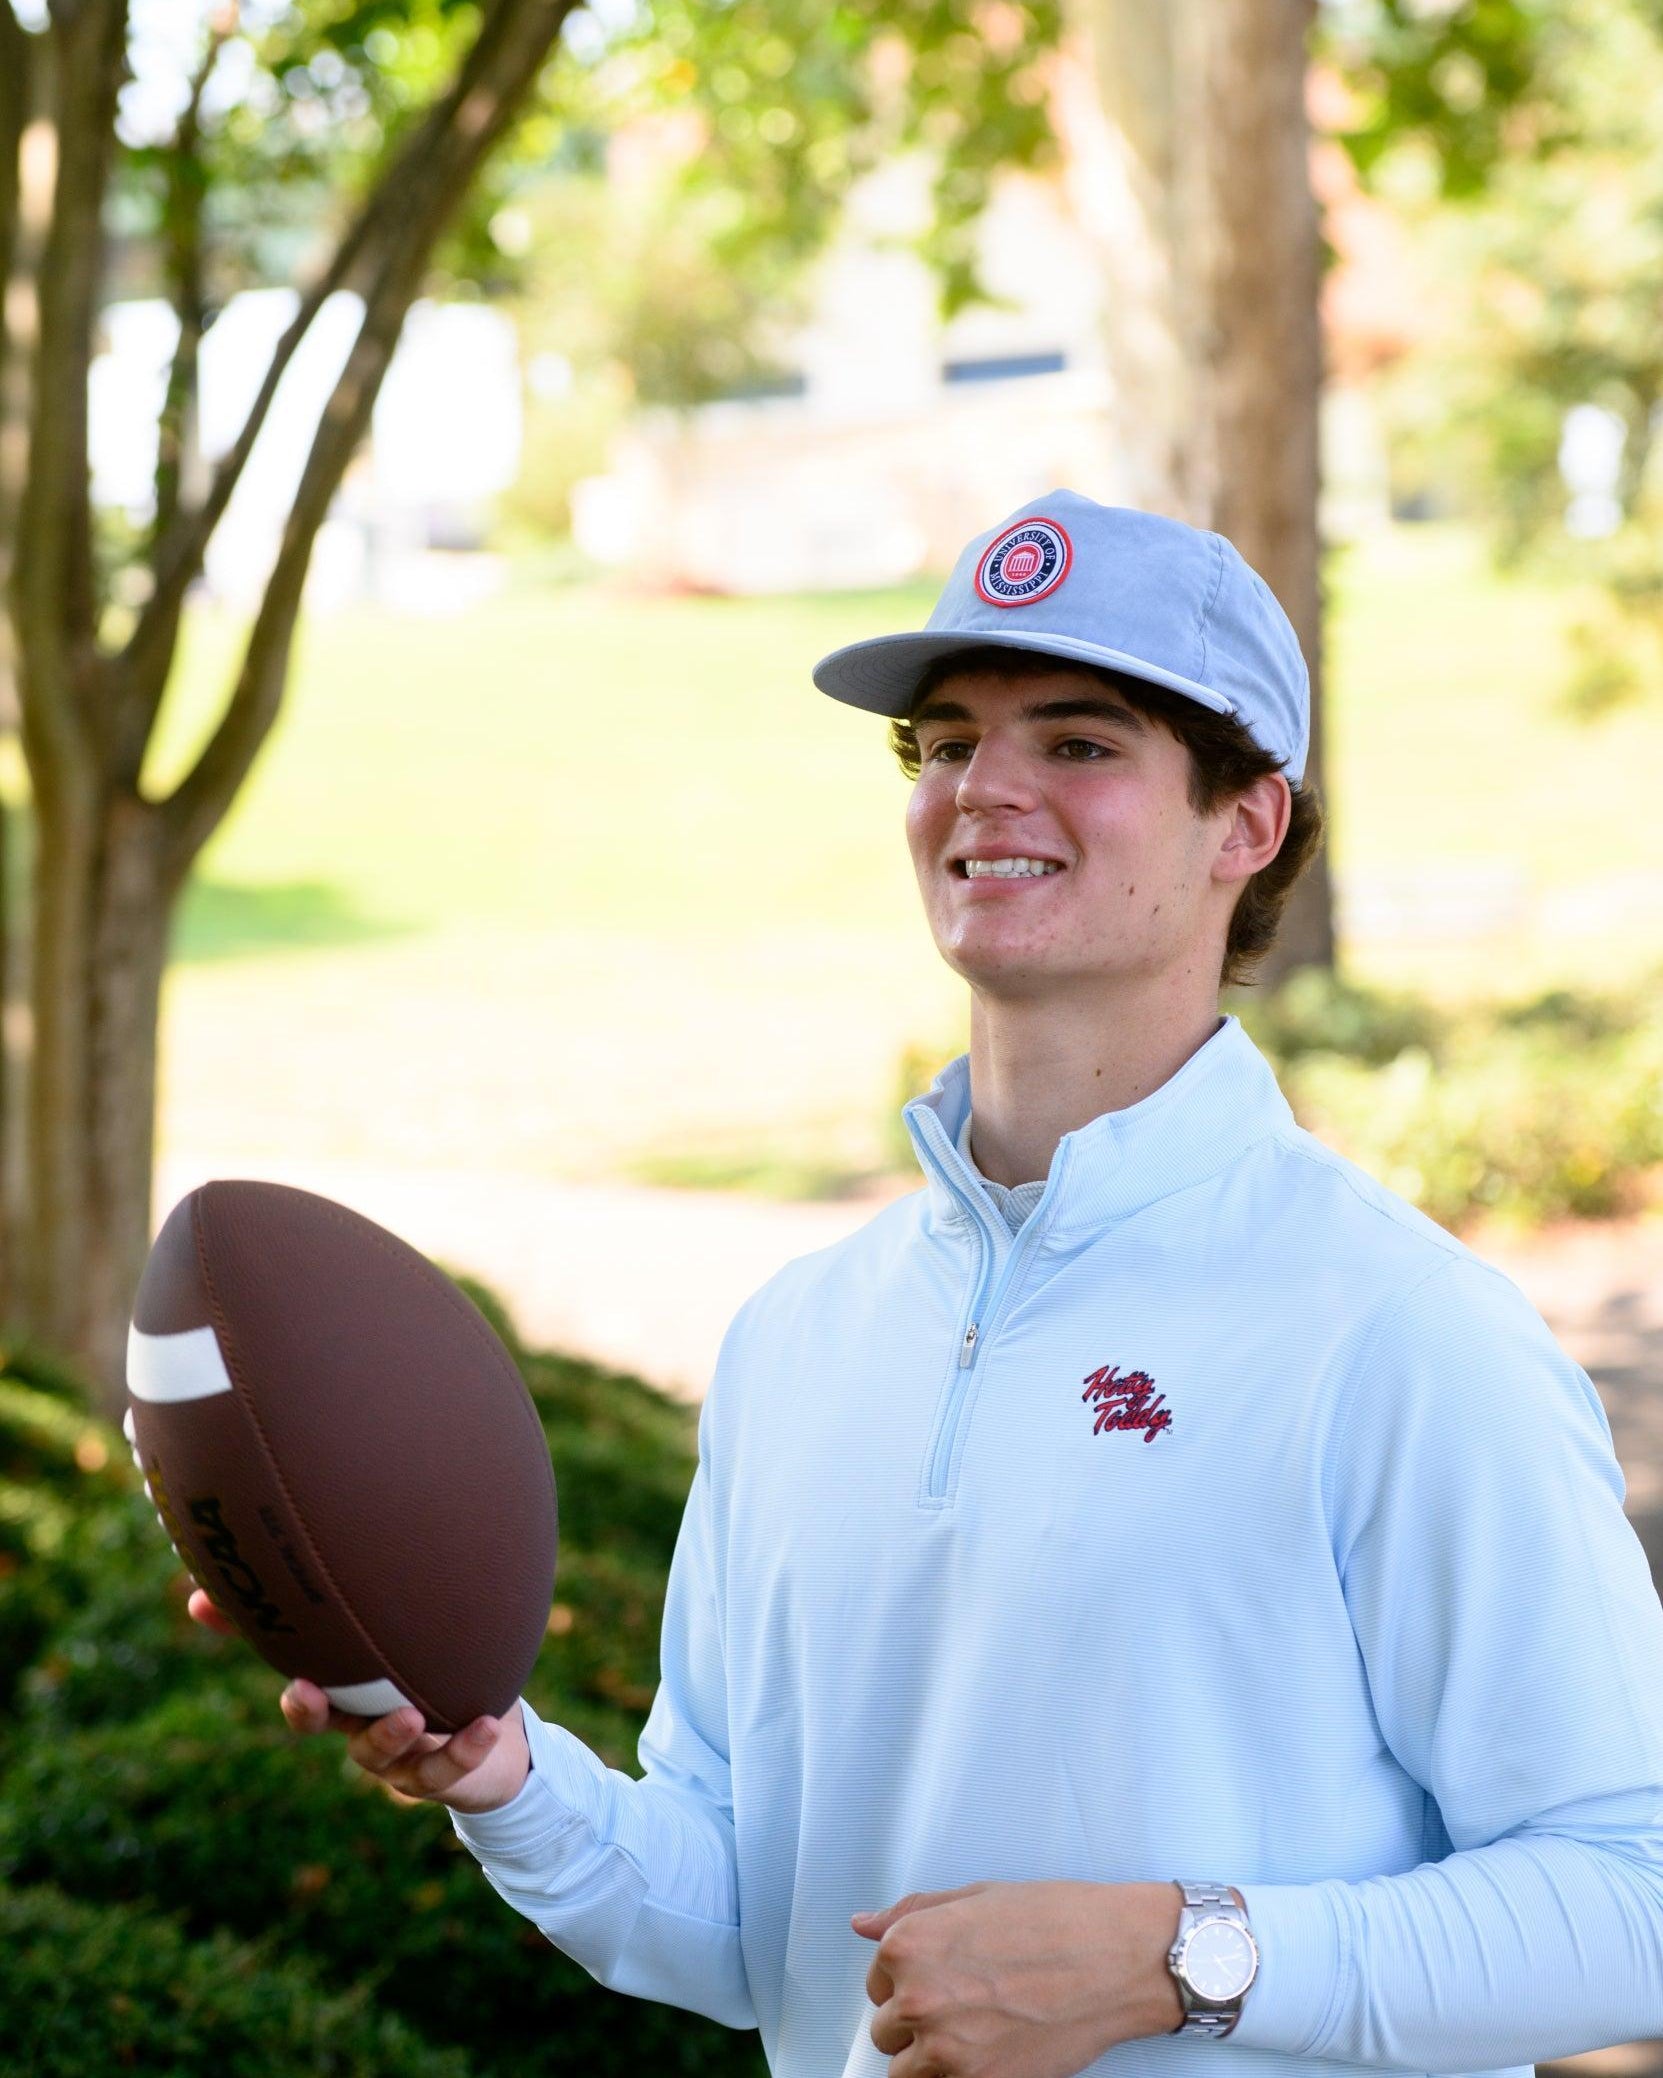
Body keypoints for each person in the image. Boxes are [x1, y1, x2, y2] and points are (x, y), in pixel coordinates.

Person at [191, 491, 1663, 2078]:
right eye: (946, 741)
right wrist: (503, 1775)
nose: (985, 789)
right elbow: (749, 1919)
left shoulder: (1400, 1330)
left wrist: (1178, 1957)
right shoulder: (803, 1337)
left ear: (1250, 821)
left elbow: (1628, 1898)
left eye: (1081, 742)